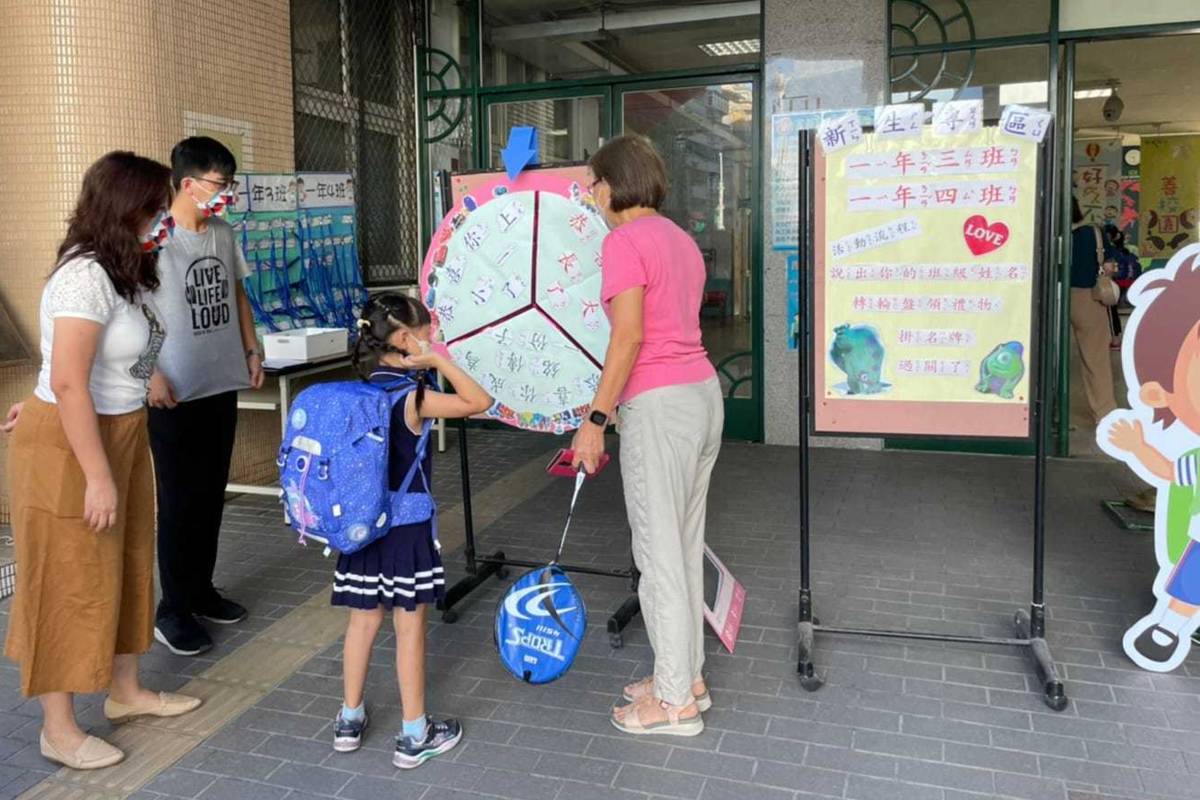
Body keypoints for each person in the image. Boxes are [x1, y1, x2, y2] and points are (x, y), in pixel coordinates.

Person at [2, 152, 200, 770]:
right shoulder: (82, 276)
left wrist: (145, 385)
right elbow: (68, 383)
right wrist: (95, 475)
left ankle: (126, 691)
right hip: (74, 448)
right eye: (154, 208)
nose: (163, 218)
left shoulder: (127, 271)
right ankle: (57, 729)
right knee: (64, 582)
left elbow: (108, 362)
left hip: (117, 430)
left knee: (130, 561)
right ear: (123, 209)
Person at [571, 135, 723, 737]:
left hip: (657, 405)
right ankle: (685, 678)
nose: (590, 194)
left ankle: (674, 705)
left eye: (592, 182)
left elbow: (628, 337)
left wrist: (596, 420)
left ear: (612, 185)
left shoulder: (624, 241)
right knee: (682, 547)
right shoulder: (681, 240)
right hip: (701, 395)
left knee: (659, 556)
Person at [331, 293, 491, 768]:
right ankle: (414, 733)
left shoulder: (359, 392)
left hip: (361, 528)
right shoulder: (414, 397)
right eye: (425, 332)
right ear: (404, 338)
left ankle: (348, 719)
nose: (431, 338)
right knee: (409, 628)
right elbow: (478, 401)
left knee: (362, 621)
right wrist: (439, 360)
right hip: (406, 530)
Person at [147, 137, 264, 656]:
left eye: (229, 185)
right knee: (179, 500)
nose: (226, 195)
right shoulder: (152, 237)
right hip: (170, 392)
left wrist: (251, 347)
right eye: (219, 186)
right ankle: (171, 609)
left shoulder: (221, 231)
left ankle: (200, 590)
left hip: (220, 381)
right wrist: (146, 372)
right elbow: (128, 309)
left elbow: (237, 294)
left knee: (211, 492)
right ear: (187, 183)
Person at [1070, 195, 1118, 428]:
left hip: (1050, 298)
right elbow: (1109, 266)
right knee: (1096, 359)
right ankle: (1105, 414)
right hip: (1088, 298)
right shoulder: (1092, 233)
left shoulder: (1043, 232)